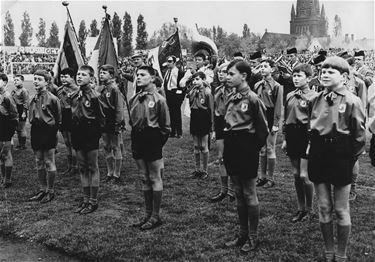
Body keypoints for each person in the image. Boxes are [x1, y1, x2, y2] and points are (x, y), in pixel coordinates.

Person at [308, 56, 366, 262]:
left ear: (343, 77)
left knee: (341, 209)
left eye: (331, 72)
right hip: (318, 152)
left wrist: (349, 157)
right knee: (324, 207)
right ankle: (329, 249)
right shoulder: (315, 99)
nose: (324, 74)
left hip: (341, 154)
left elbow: (359, 136)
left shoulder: (352, 101)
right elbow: (312, 126)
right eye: (323, 71)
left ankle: (341, 254)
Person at [223, 60, 268, 253]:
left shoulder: (252, 98)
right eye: (227, 73)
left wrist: (251, 148)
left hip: (246, 146)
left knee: (249, 192)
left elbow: (263, 129)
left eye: (231, 73)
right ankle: (242, 233)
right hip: (231, 145)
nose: (227, 77)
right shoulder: (231, 97)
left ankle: (253, 236)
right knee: (238, 192)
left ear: (244, 76)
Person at [130, 66, 170, 230]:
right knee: (144, 177)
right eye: (137, 75)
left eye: (142, 75)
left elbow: (165, 127)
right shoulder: (136, 98)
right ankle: (147, 213)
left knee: (154, 177)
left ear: (152, 78)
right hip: (137, 137)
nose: (138, 77)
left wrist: (156, 142)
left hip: (152, 137)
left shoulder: (159, 99)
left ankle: (155, 215)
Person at [282, 64, 316, 223]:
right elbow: (286, 117)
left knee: (305, 175)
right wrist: (285, 138)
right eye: (294, 76)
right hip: (292, 135)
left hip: (305, 135)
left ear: (308, 78)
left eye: (299, 76)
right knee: (296, 175)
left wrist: (311, 142)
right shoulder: (290, 95)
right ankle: (300, 208)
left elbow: (314, 122)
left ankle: (310, 209)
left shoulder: (314, 97)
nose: (295, 79)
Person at [70, 65, 105, 214]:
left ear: (91, 78)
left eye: (83, 75)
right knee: (82, 167)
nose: (79, 77)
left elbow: (102, 119)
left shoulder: (95, 96)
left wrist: (95, 133)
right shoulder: (74, 95)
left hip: (90, 132)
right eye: (78, 74)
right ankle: (85, 199)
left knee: (92, 167)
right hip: (77, 131)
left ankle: (93, 201)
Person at [28, 70, 61, 203]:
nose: (36, 81)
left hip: (48, 131)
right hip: (36, 130)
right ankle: (42, 189)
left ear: (47, 82)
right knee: (38, 161)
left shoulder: (53, 99)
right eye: (34, 78)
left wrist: (54, 133)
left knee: (48, 161)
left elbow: (58, 119)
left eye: (39, 79)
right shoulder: (33, 97)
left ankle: (51, 191)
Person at [254, 59, 283, 188]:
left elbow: (278, 106)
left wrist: (276, 123)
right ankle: (262, 176)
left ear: (272, 69)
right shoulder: (257, 85)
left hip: (271, 116)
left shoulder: (277, 86)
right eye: (261, 66)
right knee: (262, 148)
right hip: (260, 117)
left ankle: (270, 178)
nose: (262, 68)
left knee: (270, 147)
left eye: (265, 66)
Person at [209, 62, 235, 203]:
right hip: (220, 124)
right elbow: (214, 110)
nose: (220, 74)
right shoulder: (218, 89)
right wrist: (213, 129)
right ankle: (223, 189)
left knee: (234, 158)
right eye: (219, 71)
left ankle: (233, 190)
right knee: (221, 158)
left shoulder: (237, 90)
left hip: (233, 124)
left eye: (224, 71)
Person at [344, 57, 367, 201]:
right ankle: (342, 184)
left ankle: (352, 187)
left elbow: (362, 106)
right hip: (339, 123)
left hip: (354, 123)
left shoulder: (359, 83)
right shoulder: (337, 82)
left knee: (353, 157)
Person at [98, 64, 124, 184]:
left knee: (115, 146)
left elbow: (119, 108)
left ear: (111, 75)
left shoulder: (114, 88)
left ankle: (117, 174)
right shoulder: (102, 88)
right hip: (104, 120)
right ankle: (109, 172)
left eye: (104, 73)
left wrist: (118, 123)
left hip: (113, 119)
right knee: (106, 146)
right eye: (100, 72)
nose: (101, 74)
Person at [186, 71, 214, 179]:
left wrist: (212, 126)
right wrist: (191, 87)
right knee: (196, 146)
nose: (195, 81)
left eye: (197, 79)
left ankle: (205, 170)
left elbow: (211, 110)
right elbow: (188, 96)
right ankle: (197, 169)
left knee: (203, 145)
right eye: (194, 79)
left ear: (203, 79)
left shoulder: (207, 92)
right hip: (195, 117)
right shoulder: (193, 91)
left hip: (204, 118)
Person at [57, 68, 79, 175]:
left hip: (73, 116)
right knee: (66, 142)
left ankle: (76, 166)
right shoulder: (60, 90)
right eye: (61, 77)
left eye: (66, 76)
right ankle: (70, 166)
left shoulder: (78, 90)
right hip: (63, 116)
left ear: (72, 77)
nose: (63, 79)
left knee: (73, 142)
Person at [0, 73, 18, 188]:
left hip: (5, 126)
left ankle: (8, 179)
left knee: (6, 154)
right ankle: (3, 178)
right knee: (1, 155)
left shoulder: (7, 96)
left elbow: (14, 114)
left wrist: (11, 130)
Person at [163, 55, 184, 138]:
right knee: (170, 113)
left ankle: (179, 132)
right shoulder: (167, 72)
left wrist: (180, 97)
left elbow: (183, 86)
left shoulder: (179, 72)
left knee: (177, 114)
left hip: (176, 93)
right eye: (167, 61)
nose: (168, 63)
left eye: (170, 61)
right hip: (168, 93)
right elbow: (165, 83)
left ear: (174, 63)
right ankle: (172, 131)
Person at [11, 74, 29, 150]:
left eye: (17, 80)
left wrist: (24, 112)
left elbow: (26, 102)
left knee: (21, 128)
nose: (15, 81)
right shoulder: (14, 90)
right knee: (17, 128)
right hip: (15, 110)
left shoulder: (24, 91)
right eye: (14, 80)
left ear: (22, 81)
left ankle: (23, 144)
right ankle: (20, 143)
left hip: (21, 109)